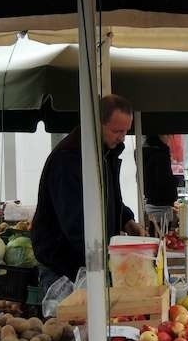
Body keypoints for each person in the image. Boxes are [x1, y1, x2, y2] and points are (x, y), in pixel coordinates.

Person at [32, 94, 145, 293]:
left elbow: (110, 198)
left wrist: (126, 220)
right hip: (63, 266)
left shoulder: (106, 152)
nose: (122, 137)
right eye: (116, 130)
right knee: (68, 323)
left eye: (126, 131)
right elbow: (74, 222)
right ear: (97, 124)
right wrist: (104, 258)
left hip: (89, 261)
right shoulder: (68, 160)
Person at [143, 135, 178, 234]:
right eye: (167, 134)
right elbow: (163, 180)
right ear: (158, 135)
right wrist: (175, 181)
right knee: (161, 238)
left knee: (155, 234)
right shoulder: (160, 155)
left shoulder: (146, 152)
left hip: (152, 202)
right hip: (161, 204)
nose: (170, 137)